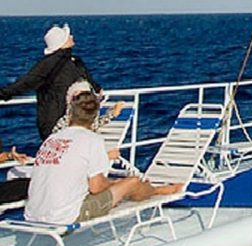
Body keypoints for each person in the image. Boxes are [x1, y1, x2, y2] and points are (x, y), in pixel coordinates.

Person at [25, 91, 182, 225]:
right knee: (132, 182)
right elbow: (97, 187)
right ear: (95, 117)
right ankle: (158, 190)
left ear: (70, 113)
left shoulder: (52, 139)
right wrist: (117, 184)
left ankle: (146, 188)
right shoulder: (91, 139)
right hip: (64, 216)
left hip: (33, 214)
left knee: (116, 184)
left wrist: (113, 183)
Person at [0, 24, 103, 140]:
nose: (71, 36)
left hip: (69, 120)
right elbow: (26, 83)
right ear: (62, 42)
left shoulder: (74, 61)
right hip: (56, 121)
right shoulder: (51, 64)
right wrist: (3, 93)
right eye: (68, 36)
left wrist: (96, 89)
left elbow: (87, 78)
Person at [50, 80, 124, 136]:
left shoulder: (63, 122)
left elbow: (93, 125)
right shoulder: (66, 124)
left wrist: (111, 114)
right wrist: (111, 115)